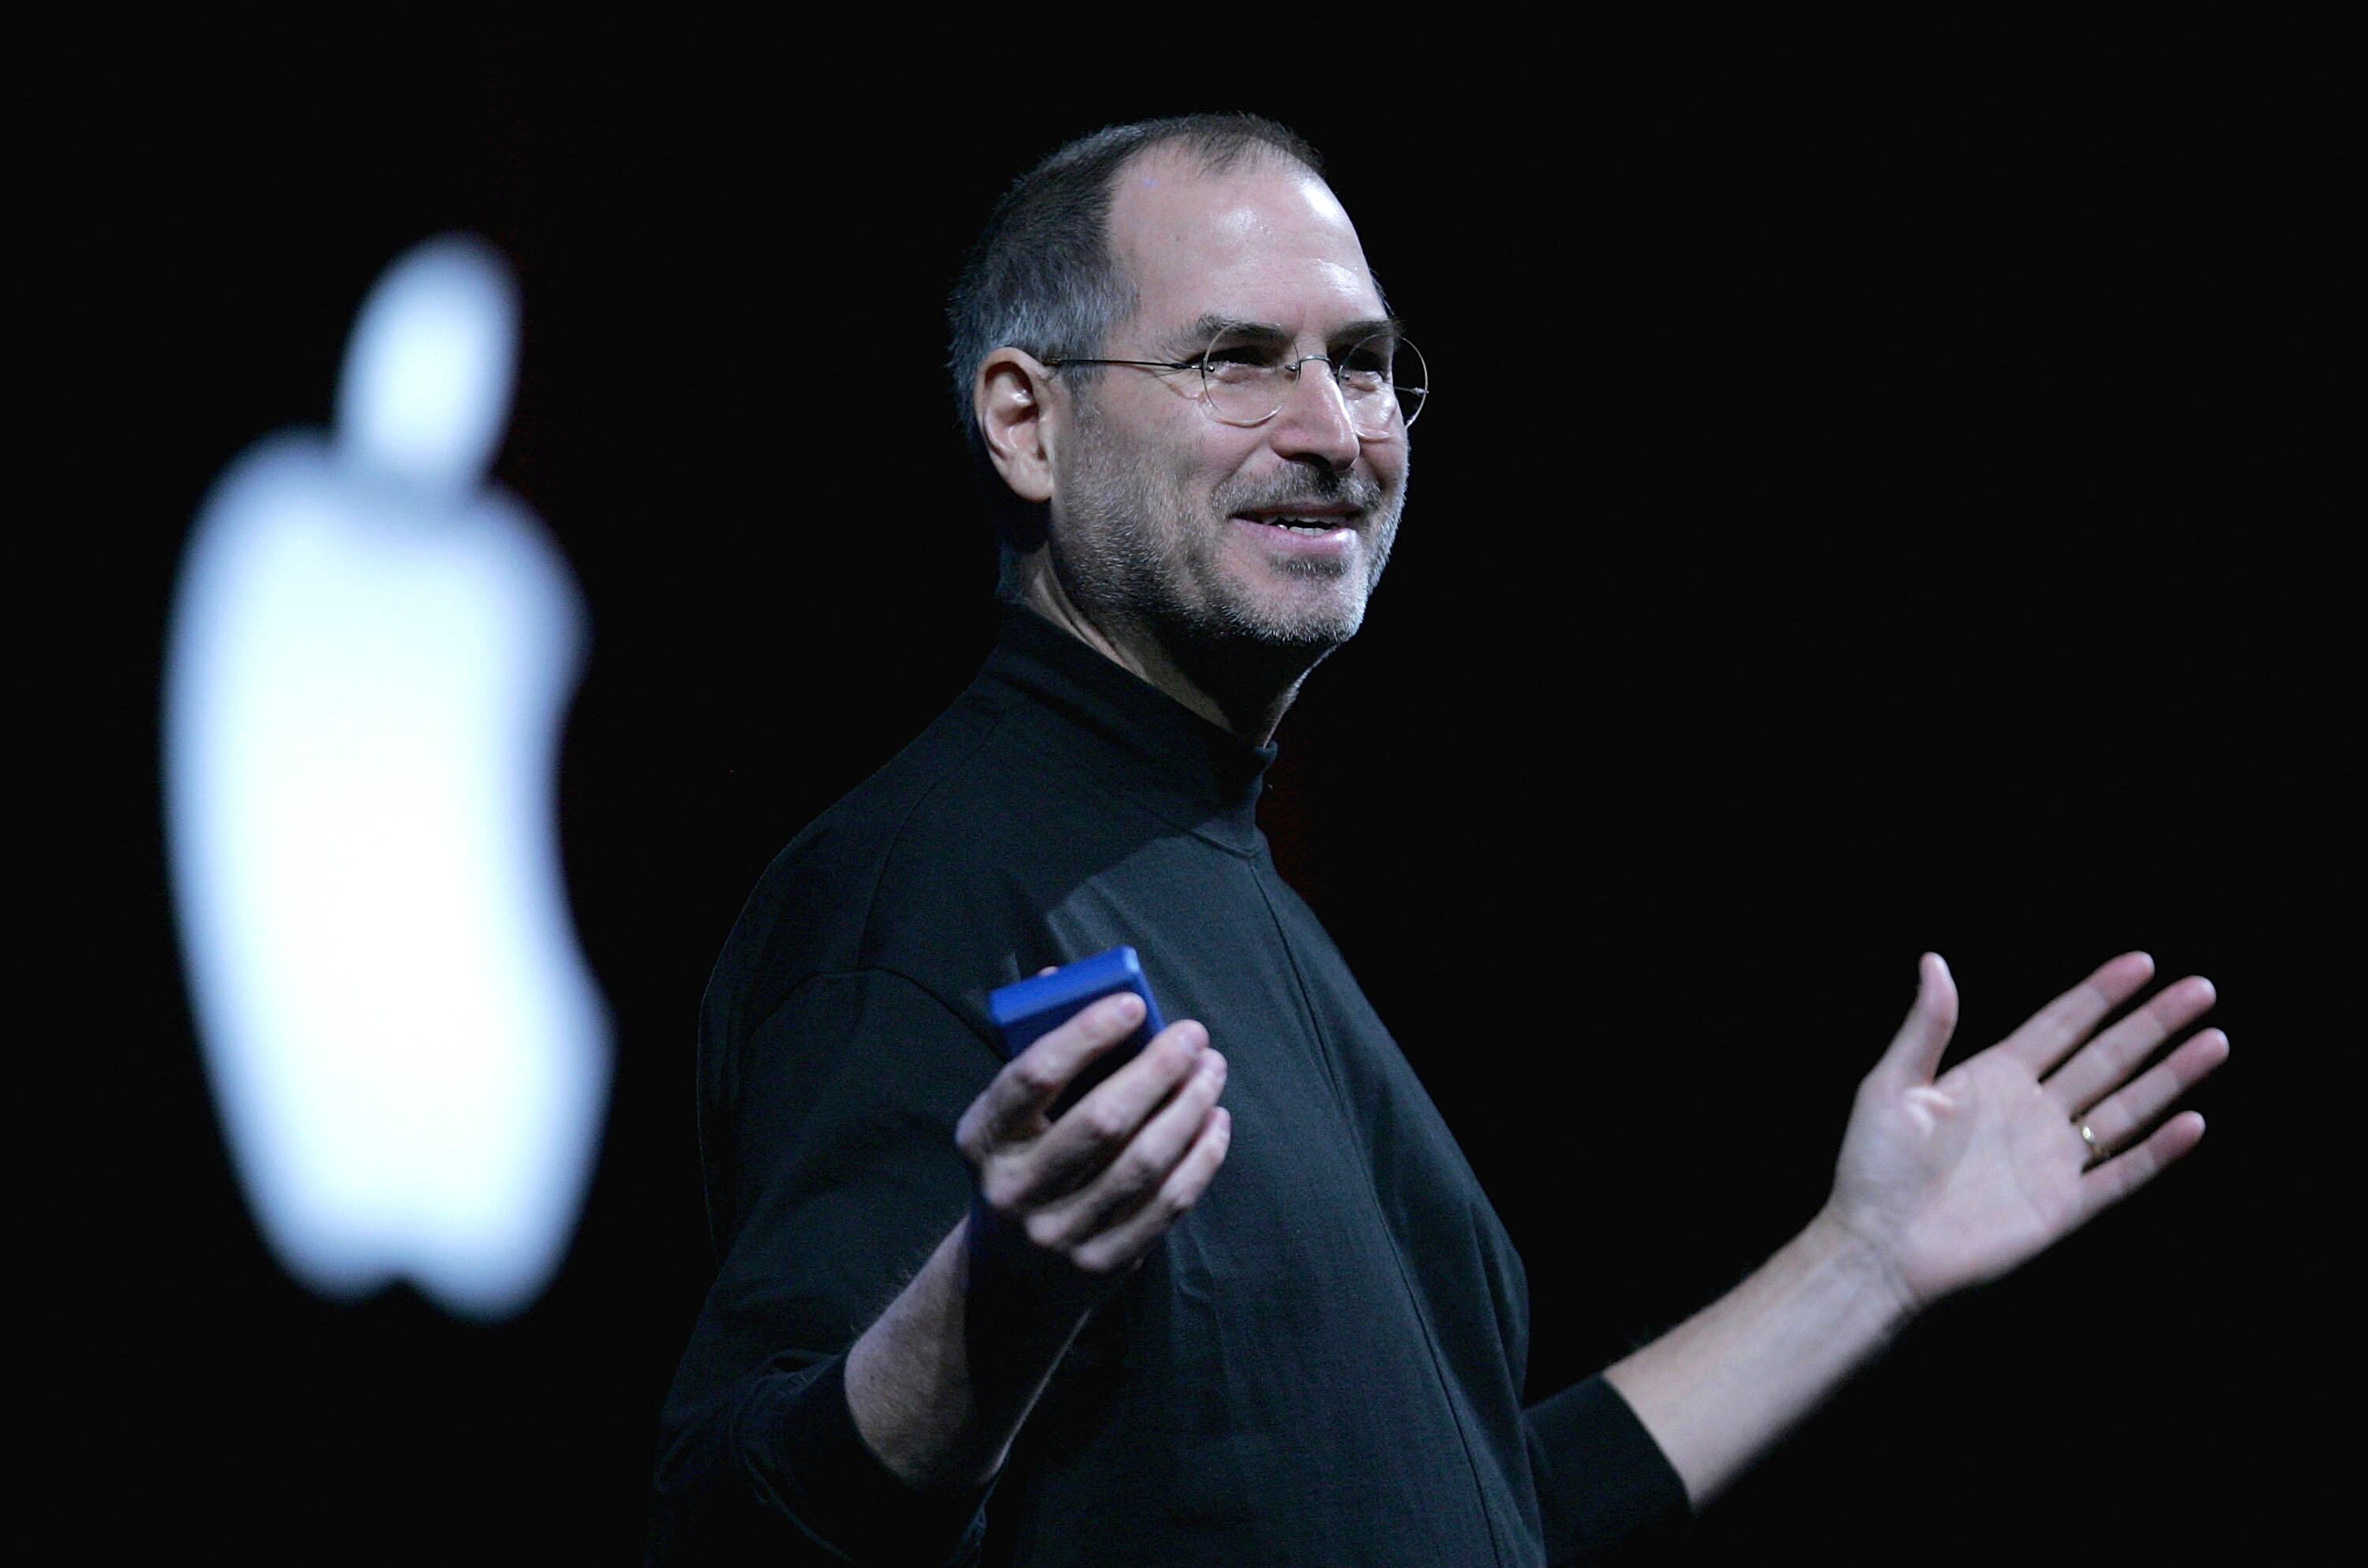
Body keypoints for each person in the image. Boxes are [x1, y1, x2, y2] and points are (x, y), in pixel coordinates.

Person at [646, 114, 2228, 1565]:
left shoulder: (1227, 884)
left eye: (1364, 364)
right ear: (1026, 423)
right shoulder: (921, 891)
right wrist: (987, 1311)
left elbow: (1454, 1515)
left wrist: (1865, 1260)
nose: (1335, 432)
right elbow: (733, 1528)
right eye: (1236, 361)